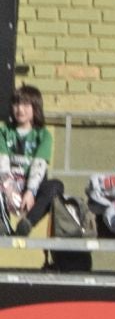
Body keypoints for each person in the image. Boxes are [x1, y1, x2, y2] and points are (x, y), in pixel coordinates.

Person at [1, 86, 65, 237]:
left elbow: (39, 166)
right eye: (16, 104)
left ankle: (27, 224)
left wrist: (30, 192)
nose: (20, 109)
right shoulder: (4, 132)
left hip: (32, 188)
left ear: (35, 108)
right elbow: (2, 164)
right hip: (8, 186)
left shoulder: (43, 135)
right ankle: (3, 226)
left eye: (25, 105)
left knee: (56, 186)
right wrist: (8, 189)